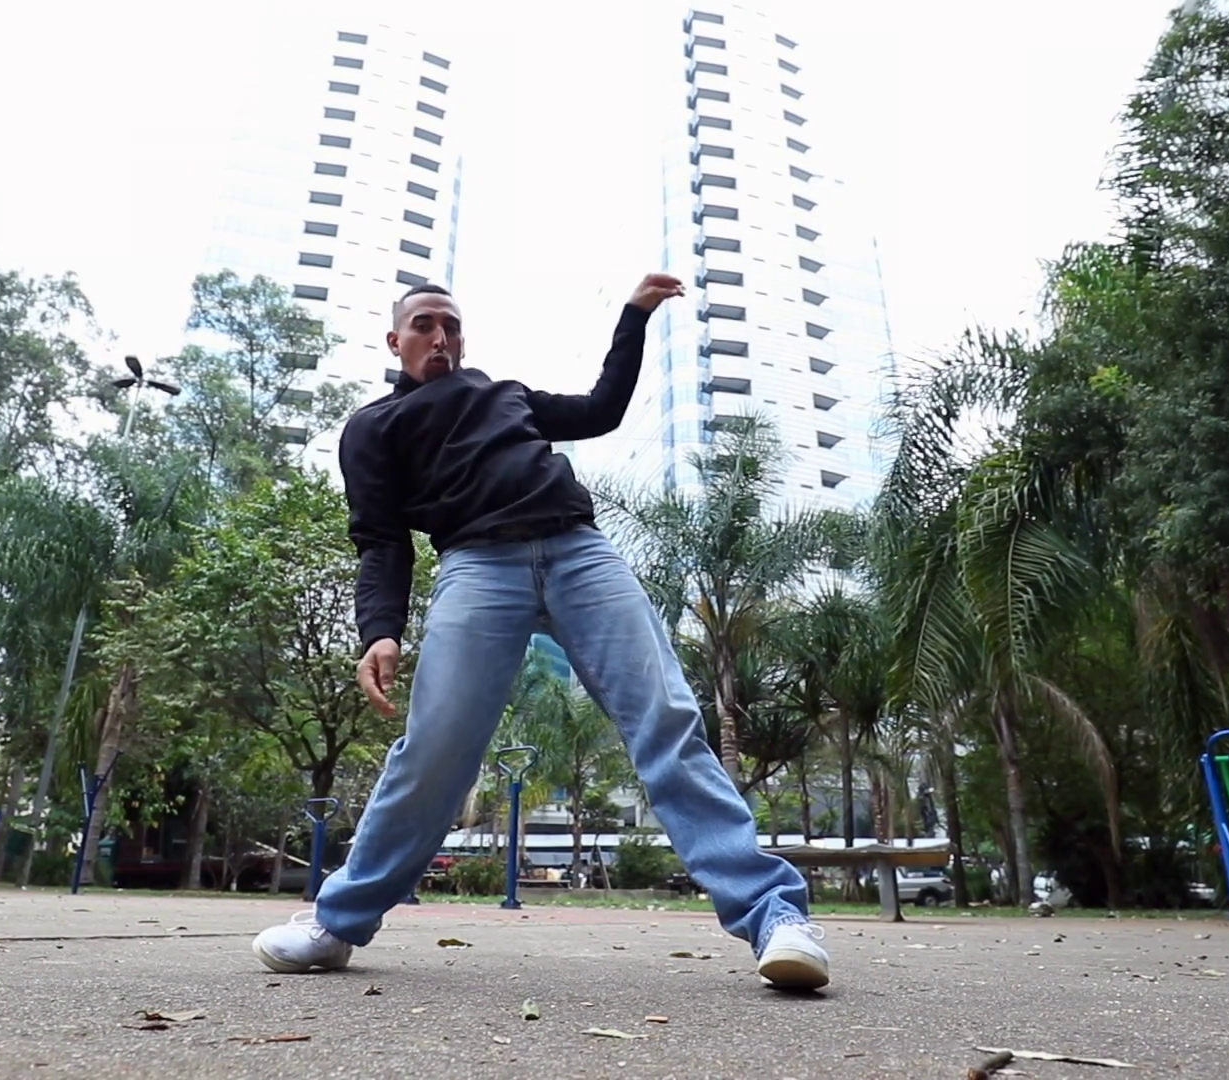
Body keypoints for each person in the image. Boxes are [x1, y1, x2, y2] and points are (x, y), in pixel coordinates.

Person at [251, 274, 830, 990]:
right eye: (425, 325)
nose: (440, 337)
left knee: (666, 719)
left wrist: (633, 317)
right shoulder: (374, 426)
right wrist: (380, 630)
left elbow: (601, 410)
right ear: (395, 340)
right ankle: (338, 922)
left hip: (579, 552)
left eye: (451, 325)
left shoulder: (506, 394)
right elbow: (380, 538)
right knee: (434, 747)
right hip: (475, 565)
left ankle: (776, 916)